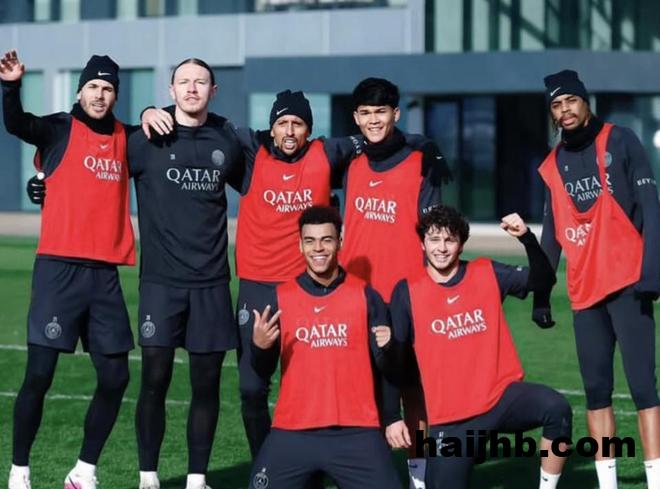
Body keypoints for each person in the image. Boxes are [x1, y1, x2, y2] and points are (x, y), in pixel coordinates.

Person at [1, 50, 135, 489]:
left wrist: (154, 111)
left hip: (104, 275)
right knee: (39, 375)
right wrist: (11, 87)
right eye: (93, 86)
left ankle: (83, 472)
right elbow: (18, 124)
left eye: (108, 88)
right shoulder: (59, 128)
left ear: (116, 96)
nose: (100, 94)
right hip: (58, 270)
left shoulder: (127, 138)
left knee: (116, 376)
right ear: (80, 92)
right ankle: (19, 471)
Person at [385, 205, 572, 489]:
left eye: (450, 240)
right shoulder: (406, 291)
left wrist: (527, 239)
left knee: (556, 408)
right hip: (452, 419)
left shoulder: (487, 272)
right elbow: (396, 362)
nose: (441, 248)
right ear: (422, 243)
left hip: (500, 398)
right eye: (434, 240)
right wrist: (392, 417)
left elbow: (543, 279)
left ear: (461, 244)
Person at [538, 69, 660, 489]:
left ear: (585, 101)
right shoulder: (552, 164)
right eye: (556, 105)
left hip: (629, 283)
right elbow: (551, 233)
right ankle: (608, 485)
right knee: (595, 391)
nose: (565, 110)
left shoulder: (621, 140)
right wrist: (541, 294)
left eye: (570, 100)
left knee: (643, 388)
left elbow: (652, 208)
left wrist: (652, 272)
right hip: (584, 292)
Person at [129, 58, 245, 489]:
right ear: (171, 89)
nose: (191, 88)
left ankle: (197, 479)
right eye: (183, 81)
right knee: (154, 380)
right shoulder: (144, 138)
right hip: (161, 283)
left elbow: (264, 181)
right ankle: (148, 476)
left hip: (211, 283)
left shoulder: (227, 139)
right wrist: (43, 178)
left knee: (207, 385)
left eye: (200, 82)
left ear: (213, 90)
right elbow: (93, 151)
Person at [340, 77, 450, 486]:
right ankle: (372, 474)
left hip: (406, 297)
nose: (373, 120)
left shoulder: (422, 162)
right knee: (362, 392)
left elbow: (435, 233)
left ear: (396, 114)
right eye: (366, 113)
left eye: (381, 112)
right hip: (358, 297)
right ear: (356, 117)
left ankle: (419, 477)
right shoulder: (350, 164)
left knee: (413, 392)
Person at [247, 205, 402, 489]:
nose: (318, 248)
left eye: (326, 240)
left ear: (340, 242)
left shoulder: (366, 296)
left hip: (356, 432)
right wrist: (261, 348)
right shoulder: (280, 298)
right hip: (293, 431)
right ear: (300, 245)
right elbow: (262, 371)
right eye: (310, 241)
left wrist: (393, 417)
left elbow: (388, 370)